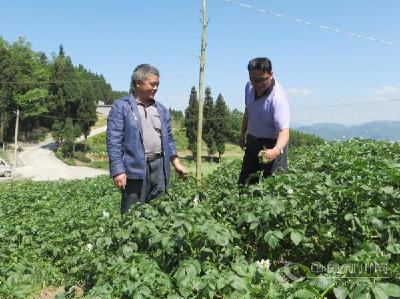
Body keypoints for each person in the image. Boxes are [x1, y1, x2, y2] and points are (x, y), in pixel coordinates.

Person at [107, 64, 187, 214]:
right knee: (132, 213)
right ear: (138, 83)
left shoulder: (161, 109)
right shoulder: (122, 107)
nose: (156, 88)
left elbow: (169, 138)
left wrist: (176, 163)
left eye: (157, 85)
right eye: (152, 84)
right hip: (135, 168)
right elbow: (114, 141)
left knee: (159, 210)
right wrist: (118, 171)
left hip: (159, 166)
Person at [238, 57, 290, 186]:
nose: (257, 84)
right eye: (253, 79)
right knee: (245, 184)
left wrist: (276, 150)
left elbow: (284, 131)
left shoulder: (278, 98)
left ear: (271, 74)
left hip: (273, 144)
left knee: (273, 186)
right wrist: (243, 133)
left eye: (262, 80)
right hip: (253, 141)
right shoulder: (249, 86)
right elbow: (248, 110)